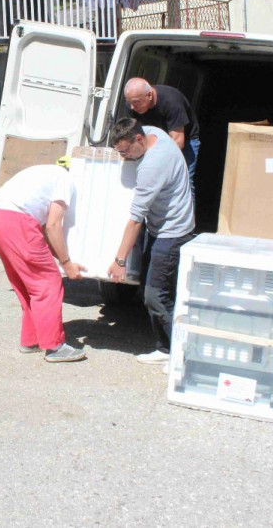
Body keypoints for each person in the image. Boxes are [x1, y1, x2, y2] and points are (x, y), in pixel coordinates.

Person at [106, 118, 196, 367]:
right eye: (119, 152)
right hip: (164, 226)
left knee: (156, 295)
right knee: (154, 288)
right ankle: (165, 348)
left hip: (172, 231)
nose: (124, 157)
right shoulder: (153, 132)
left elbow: (136, 219)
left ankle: (182, 355)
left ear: (138, 139)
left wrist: (119, 261)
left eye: (126, 151)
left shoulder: (151, 167)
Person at [0, 163, 88, 362]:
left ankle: (31, 339)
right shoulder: (65, 180)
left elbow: (43, 229)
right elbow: (53, 225)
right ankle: (54, 346)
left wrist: (61, 257)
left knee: (24, 281)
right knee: (47, 283)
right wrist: (66, 264)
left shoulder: (42, 173)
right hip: (16, 219)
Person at [123, 77, 201, 194]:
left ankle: (186, 212)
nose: (132, 107)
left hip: (184, 141)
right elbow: (134, 133)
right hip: (153, 140)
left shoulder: (172, 102)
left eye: (136, 102)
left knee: (184, 183)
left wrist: (156, 160)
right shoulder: (132, 104)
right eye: (129, 102)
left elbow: (178, 142)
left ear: (149, 95)